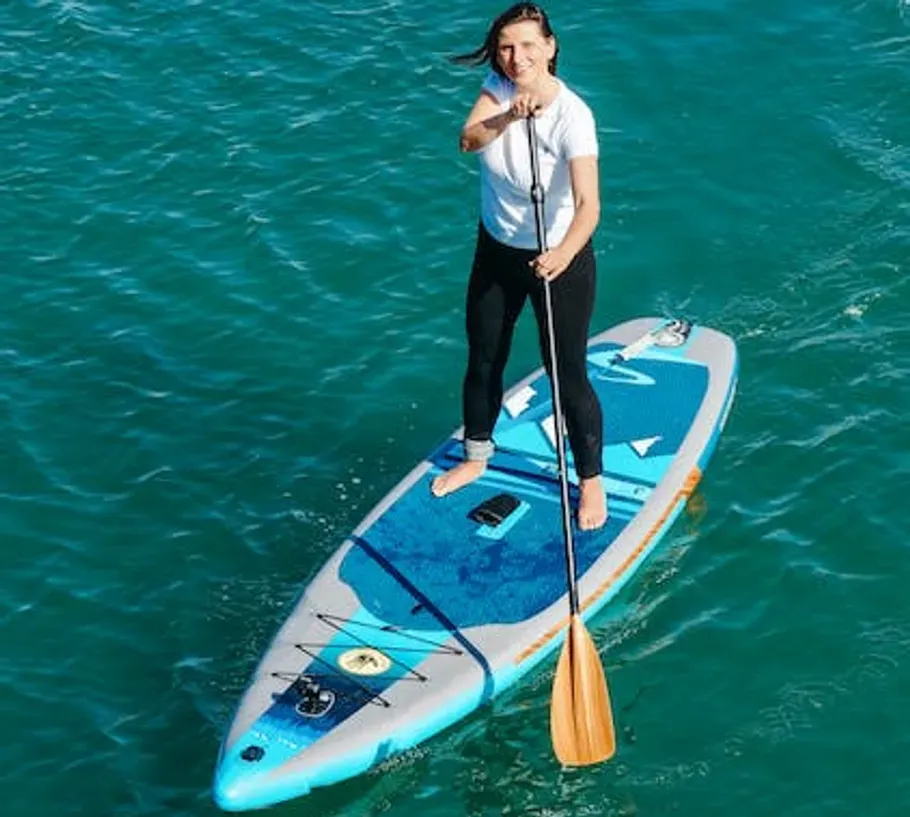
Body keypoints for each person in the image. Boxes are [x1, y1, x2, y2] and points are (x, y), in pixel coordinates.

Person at [430, 2, 607, 531]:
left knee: (565, 370)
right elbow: (467, 141)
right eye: (507, 47)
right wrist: (508, 115)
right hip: (496, 249)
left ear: (550, 47)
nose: (516, 57)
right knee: (484, 356)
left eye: (528, 45)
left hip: (557, 259)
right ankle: (475, 456)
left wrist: (563, 252)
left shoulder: (574, 116)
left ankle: (591, 482)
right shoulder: (496, 88)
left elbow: (589, 205)